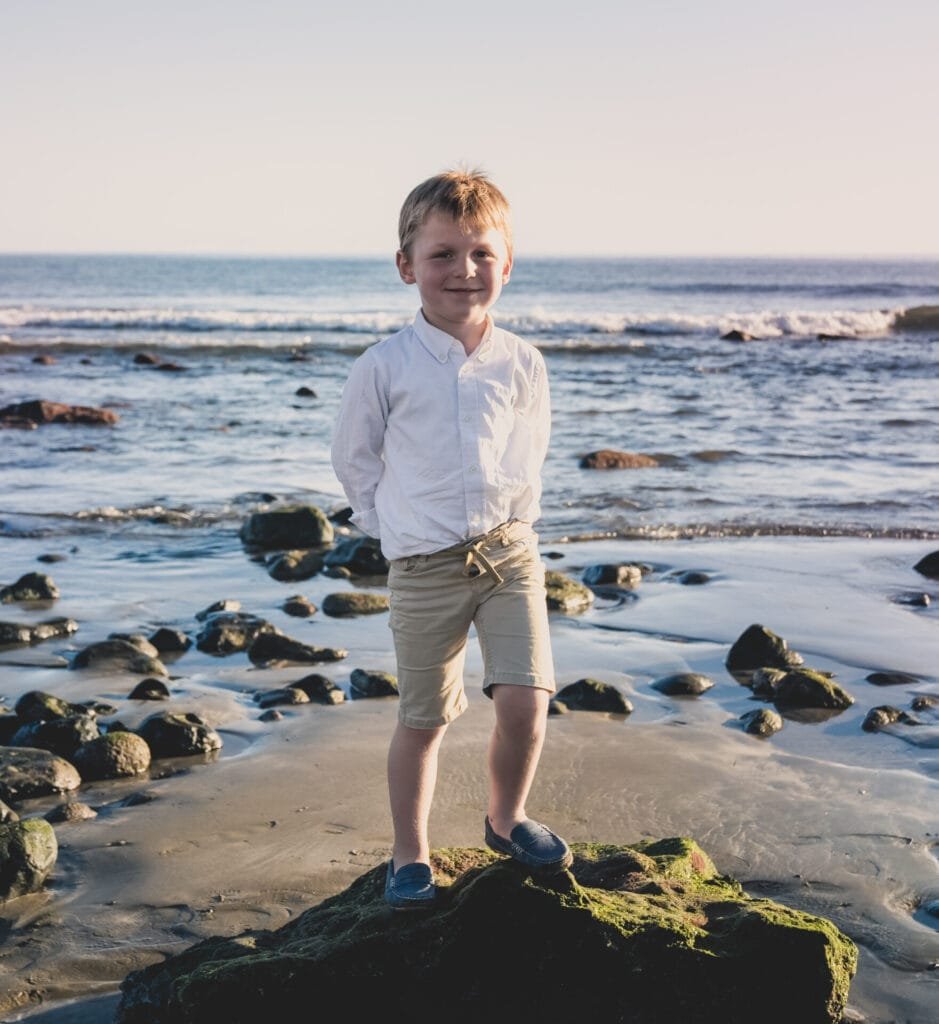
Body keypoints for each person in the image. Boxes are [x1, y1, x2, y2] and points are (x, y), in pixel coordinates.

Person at [330, 167, 570, 910]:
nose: (462, 271)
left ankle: (507, 817)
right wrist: (390, 529)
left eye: (480, 254)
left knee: (527, 703)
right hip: (424, 565)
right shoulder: (384, 366)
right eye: (441, 255)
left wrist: (519, 524)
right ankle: (410, 854)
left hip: (508, 555)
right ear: (407, 266)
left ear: (507, 262)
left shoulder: (522, 362)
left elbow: (528, 452)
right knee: (423, 718)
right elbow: (355, 460)